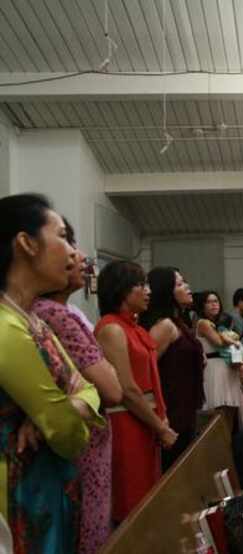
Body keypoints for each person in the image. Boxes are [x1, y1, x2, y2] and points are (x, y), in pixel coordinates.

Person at [0, 194, 104, 552]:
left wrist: (70, 405)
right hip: (20, 493)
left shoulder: (32, 320)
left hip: (48, 485)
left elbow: (89, 390)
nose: (74, 253)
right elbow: (67, 435)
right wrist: (69, 409)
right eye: (62, 236)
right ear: (26, 244)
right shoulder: (6, 328)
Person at [32, 217, 122, 554]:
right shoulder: (55, 315)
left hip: (83, 436)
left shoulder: (60, 311)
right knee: (87, 533)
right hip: (82, 443)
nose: (79, 257)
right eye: (66, 242)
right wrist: (99, 380)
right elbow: (111, 388)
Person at [95, 261, 177, 523]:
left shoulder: (134, 327)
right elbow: (127, 389)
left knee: (148, 495)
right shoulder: (111, 328)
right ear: (121, 291)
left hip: (145, 421)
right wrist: (160, 427)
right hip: (128, 424)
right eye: (140, 285)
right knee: (132, 501)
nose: (148, 291)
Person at [139, 267, 205, 471]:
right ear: (166, 291)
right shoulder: (165, 326)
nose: (188, 287)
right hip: (172, 410)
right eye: (179, 284)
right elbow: (144, 370)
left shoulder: (178, 321)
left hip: (184, 408)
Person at [194, 291, 242, 427]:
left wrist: (229, 337)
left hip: (228, 367)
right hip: (214, 368)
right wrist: (231, 337)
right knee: (217, 414)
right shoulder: (203, 323)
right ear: (202, 306)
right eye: (209, 302)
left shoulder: (220, 325)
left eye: (216, 301)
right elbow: (219, 342)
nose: (214, 304)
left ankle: (226, 447)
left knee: (230, 413)